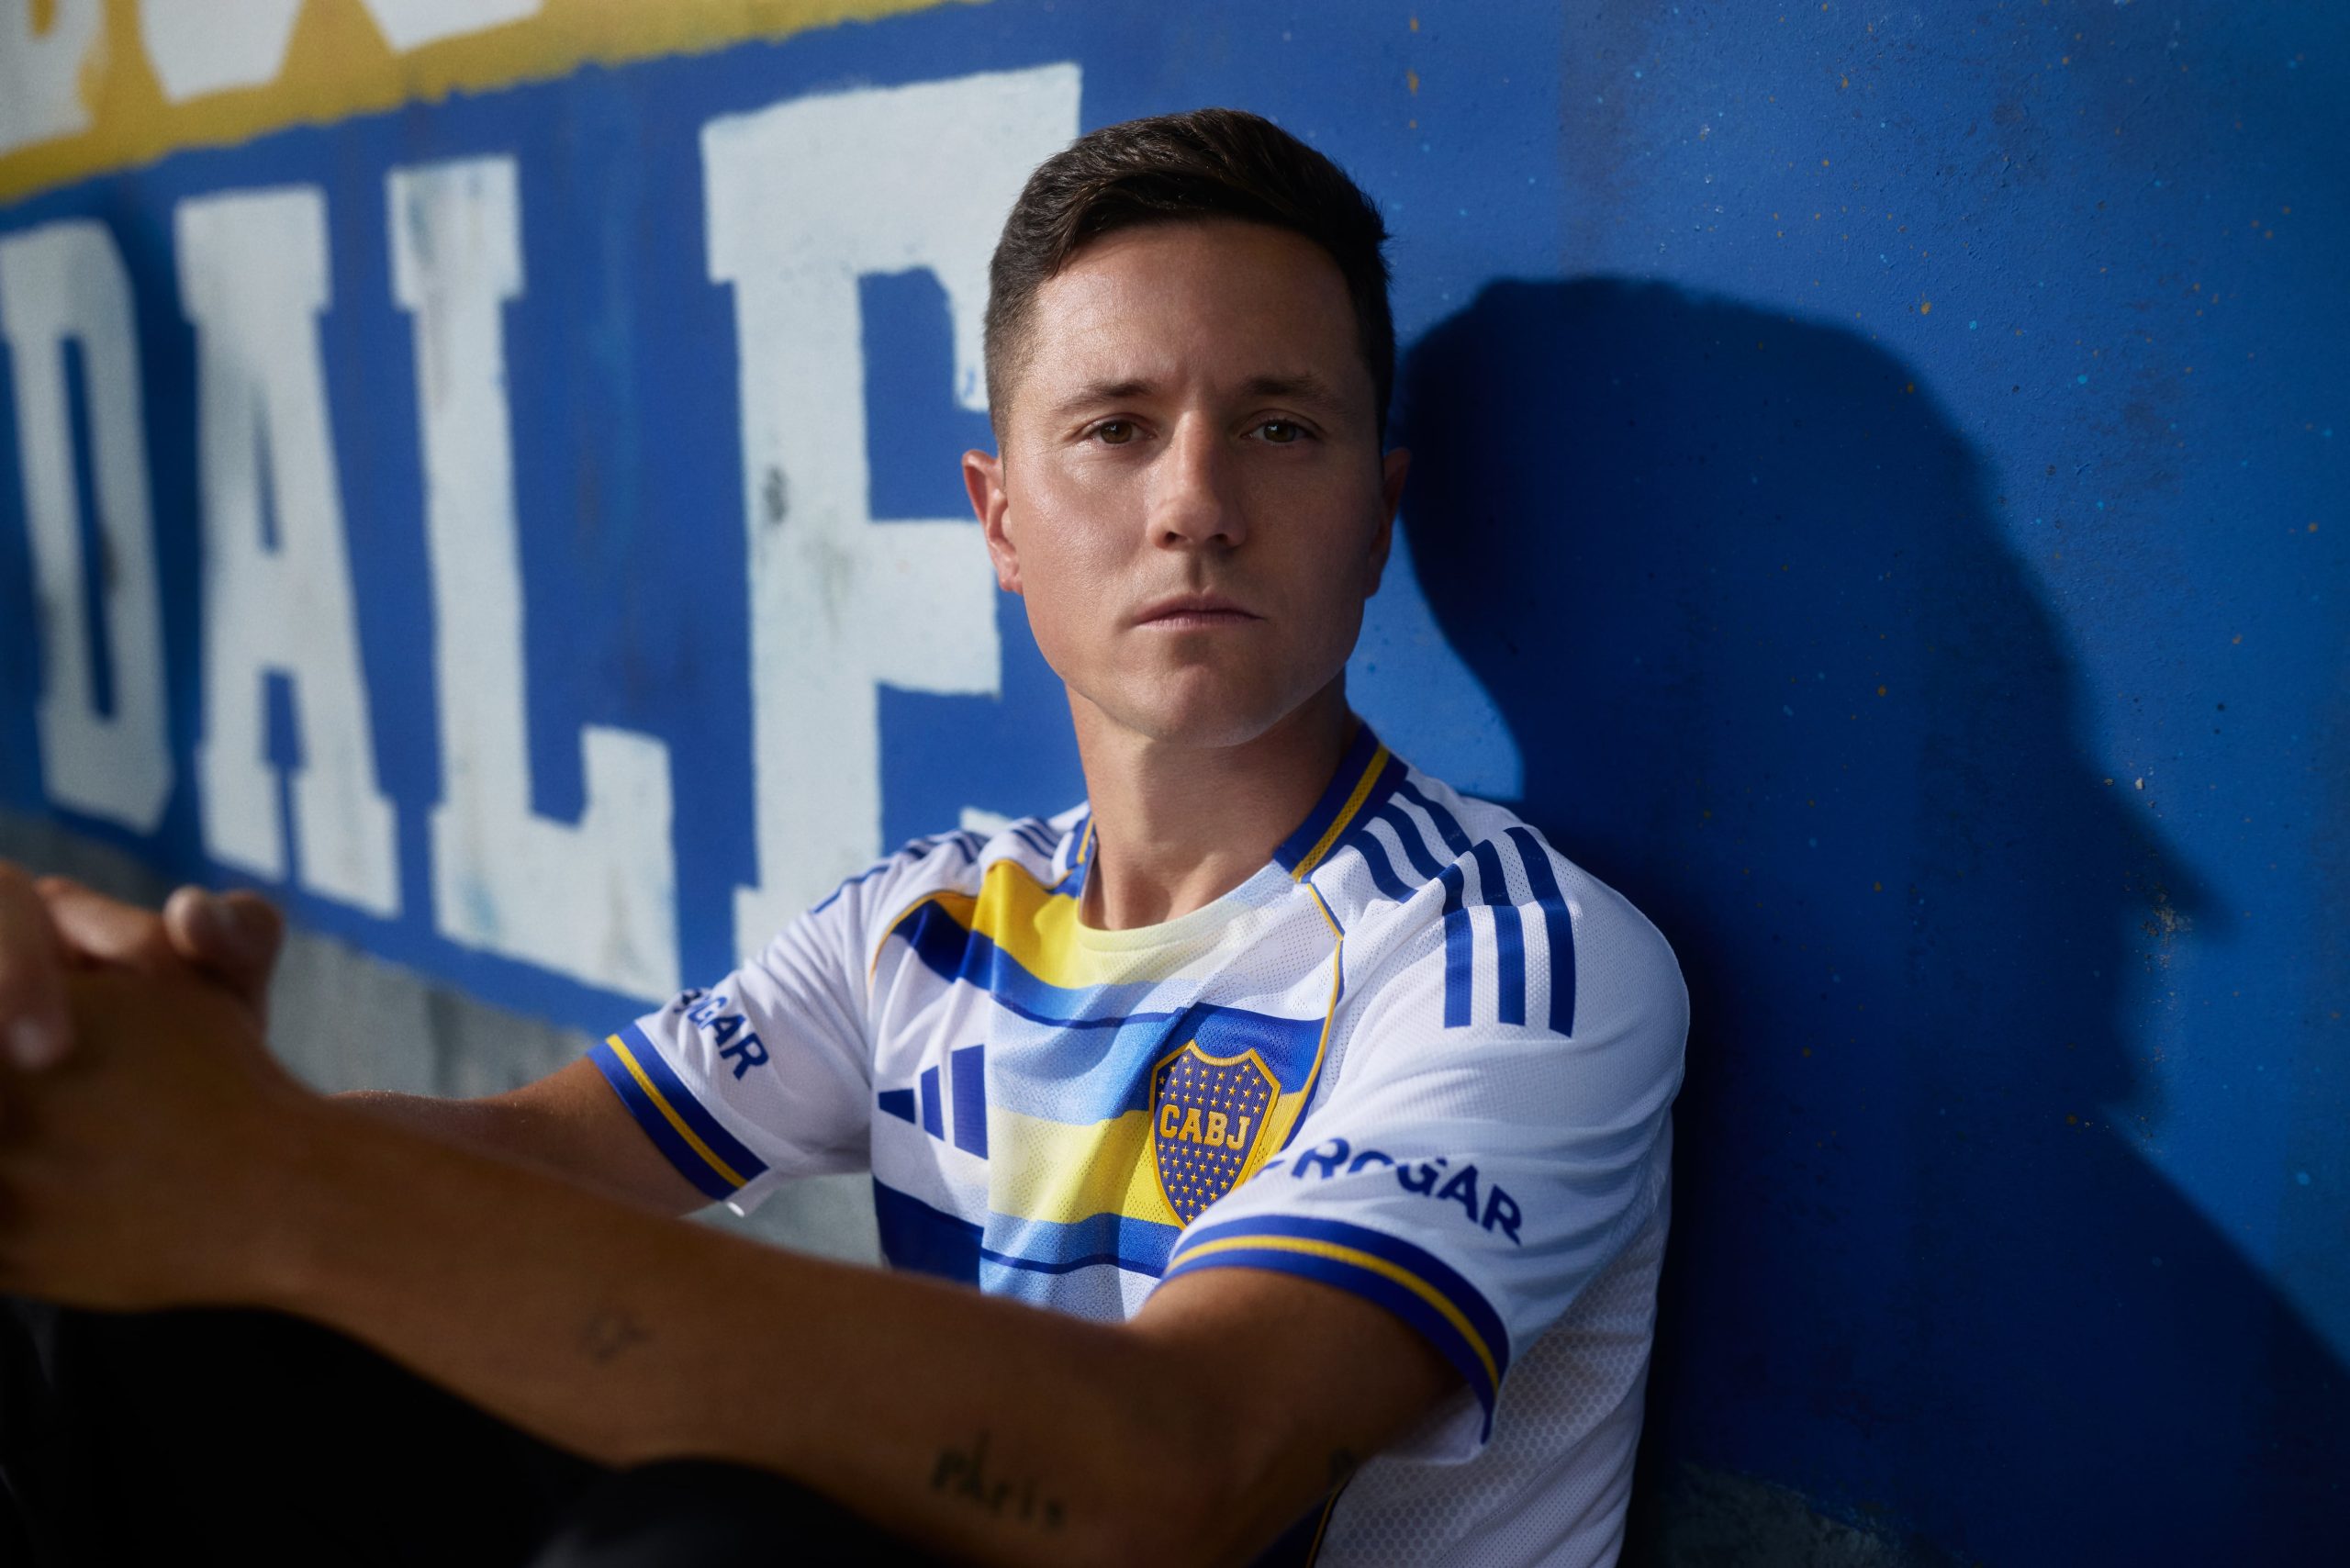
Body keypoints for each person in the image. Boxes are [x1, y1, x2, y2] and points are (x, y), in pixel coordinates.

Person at [0, 108, 1685, 1566]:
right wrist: (128, 1091)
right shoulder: (932, 921)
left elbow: (1178, 1472)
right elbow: (536, 1154)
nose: (1194, 502)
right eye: (1114, 428)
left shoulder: (1517, 961)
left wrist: (276, 1183)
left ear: (1378, 516)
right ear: (1000, 520)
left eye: (1279, 426)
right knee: (172, 1329)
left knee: (716, 1549)